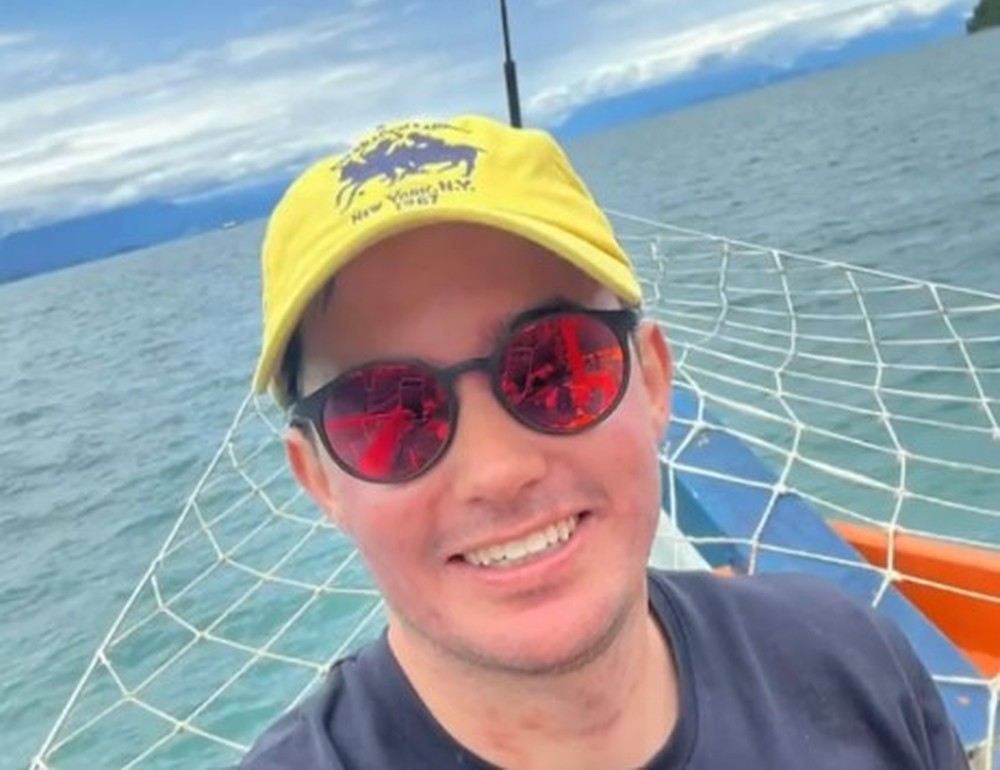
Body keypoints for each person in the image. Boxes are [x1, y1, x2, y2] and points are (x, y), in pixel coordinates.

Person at [237, 114, 969, 769]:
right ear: (321, 480)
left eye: (555, 364)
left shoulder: (853, 662)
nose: (498, 470)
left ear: (652, 382)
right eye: (389, 416)